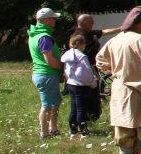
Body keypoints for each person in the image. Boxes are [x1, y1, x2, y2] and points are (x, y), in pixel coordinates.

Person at [96, 5, 141, 154]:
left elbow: (100, 60)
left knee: (125, 133)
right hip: (139, 90)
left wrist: (115, 71)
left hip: (121, 89)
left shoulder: (116, 40)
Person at [68, 13, 121, 121]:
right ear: (84, 23)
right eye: (91, 22)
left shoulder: (87, 32)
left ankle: (90, 115)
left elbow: (104, 32)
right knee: (90, 91)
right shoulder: (80, 35)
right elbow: (86, 52)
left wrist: (121, 28)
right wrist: (96, 43)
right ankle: (90, 115)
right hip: (86, 67)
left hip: (88, 67)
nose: (93, 23)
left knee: (91, 91)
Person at [28, 7, 63, 140]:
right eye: (53, 18)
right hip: (47, 74)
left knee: (55, 101)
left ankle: (53, 128)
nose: (55, 20)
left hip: (41, 73)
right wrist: (63, 67)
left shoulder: (34, 34)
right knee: (47, 105)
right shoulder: (44, 37)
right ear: (46, 20)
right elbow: (50, 60)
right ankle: (44, 133)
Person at [61, 34, 97, 137]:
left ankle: (73, 130)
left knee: (74, 108)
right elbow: (85, 72)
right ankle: (83, 131)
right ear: (82, 44)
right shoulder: (82, 56)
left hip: (70, 84)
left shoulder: (67, 55)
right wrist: (92, 82)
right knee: (81, 109)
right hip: (81, 86)